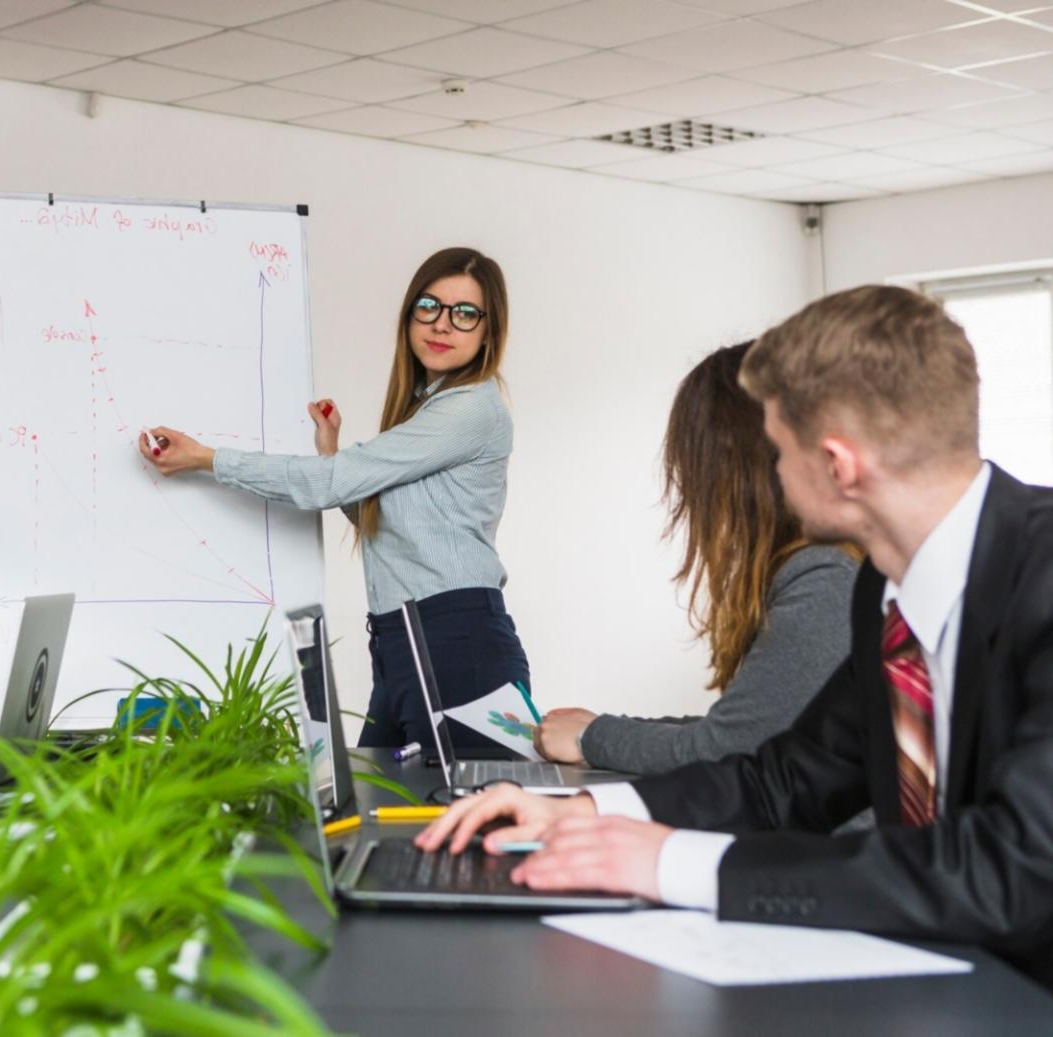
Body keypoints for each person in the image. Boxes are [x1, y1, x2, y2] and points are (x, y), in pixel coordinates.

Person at [418, 285, 1053, 987]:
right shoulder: (888, 586)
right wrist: (582, 809)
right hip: (950, 984)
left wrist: (669, 862)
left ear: (837, 466)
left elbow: (1012, 871)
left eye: (777, 450)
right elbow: (785, 778)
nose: (771, 474)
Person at [140, 247, 526, 751]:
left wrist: (205, 458)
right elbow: (384, 520)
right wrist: (330, 453)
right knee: (368, 807)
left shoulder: (470, 410)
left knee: (466, 822)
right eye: (428, 306)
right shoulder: (425, 408)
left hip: (459, 642)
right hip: (400, 642)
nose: (442, 325)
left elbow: (329, 487)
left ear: (488, 332)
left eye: (465, 314)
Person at [534, 342, 859, 776]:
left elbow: (731, 749)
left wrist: (591, 737)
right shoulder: (815, 568)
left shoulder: (824, 578)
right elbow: (742, 726)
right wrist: (597, 729)